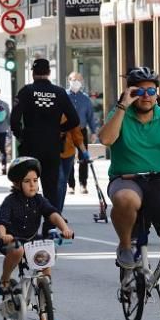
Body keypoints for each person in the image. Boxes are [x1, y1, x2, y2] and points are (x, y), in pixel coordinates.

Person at [99, 67, 160, 276]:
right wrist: (121, 107)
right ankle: (126, 246)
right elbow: (106, 140)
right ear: (130, 93)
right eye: (139, 91)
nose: (146, 96)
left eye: (151, 91)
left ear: (158, 93)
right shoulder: (120, 114)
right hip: (126, 179)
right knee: (126, 199)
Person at [0, 157, 73, 296]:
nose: (32, 185)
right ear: (17, 184)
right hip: (12, 241)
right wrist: (3, 235)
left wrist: (64, 228)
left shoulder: (39, 200)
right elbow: (2, 222)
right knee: (17, 250)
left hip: (31, 239)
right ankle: (4, 280)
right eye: (27, 181)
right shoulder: (10, 201)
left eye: (35, 181)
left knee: (47, 246)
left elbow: (52, 213)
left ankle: (46, 291)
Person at [11, 59, 80, 206]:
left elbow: (14, 120)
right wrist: (58, 130)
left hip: (30, 146)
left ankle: (26, 220)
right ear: (49, 72)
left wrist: (21, 136)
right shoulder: (59, 92)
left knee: (27, 185)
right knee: (51, 188)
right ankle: (50, 226)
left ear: (33, 73)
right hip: (52, 146)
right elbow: (74, 119)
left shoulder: (26, 91)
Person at [66, 72, 98, 194]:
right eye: (74, 79)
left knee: (83, 158)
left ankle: (83, 184)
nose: (76, 82)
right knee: (68, 158)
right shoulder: (63, 96)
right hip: (67, 131)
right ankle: (71, 185)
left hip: (81, 131)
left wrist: (94, 132)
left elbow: (90, 116)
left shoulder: (85, 99)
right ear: (69, 80)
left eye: (79, 80)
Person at [56, 115, 88, 213]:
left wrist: (84, 152)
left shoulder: (70, 114)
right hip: (53, 153)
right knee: (60, 181)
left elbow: (77, 135)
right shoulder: (49, 112)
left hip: (68, 153)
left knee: (63, 183)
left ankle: (58, 213)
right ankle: (55, 213)